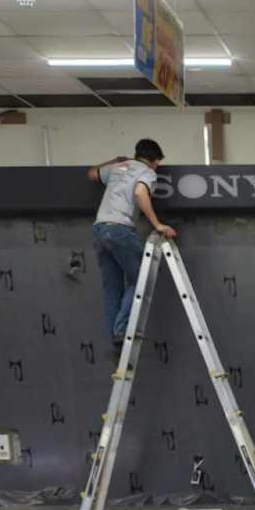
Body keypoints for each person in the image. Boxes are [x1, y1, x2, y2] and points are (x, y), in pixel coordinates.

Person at [87, 139, 175, 358]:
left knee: (112, 290)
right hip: (120, 230)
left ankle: (116, 349)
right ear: (156, 160)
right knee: (141, 279)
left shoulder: (118, 167)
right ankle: (123, 329)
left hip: (99, 230)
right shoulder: (148, 172)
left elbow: (92, 174)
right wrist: (157, 224)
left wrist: (113, 160)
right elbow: (139, 192)